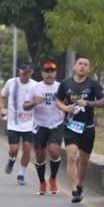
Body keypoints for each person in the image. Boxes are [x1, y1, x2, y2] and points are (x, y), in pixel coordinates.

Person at [55, 57, 104, 203]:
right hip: (71, 126)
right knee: (72, 157)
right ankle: (73, 191)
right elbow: (58, 100)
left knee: (84, 160)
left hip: (87, 128)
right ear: (74, 67)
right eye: (80, 64)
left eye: (86, 65)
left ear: (88, 69)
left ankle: (79, 184)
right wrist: (66, 108)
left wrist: (88, 103)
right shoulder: (66, 83)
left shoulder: (93, 84)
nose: (82, 67)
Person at [24, 61, 64, 195]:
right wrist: (34, 102)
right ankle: (42, 182)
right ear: (42, 73)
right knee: (40, 156)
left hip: (56, 124)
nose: (49, 74)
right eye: (46, 71)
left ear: (55, 73)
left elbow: (68, 103)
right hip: (39, 125)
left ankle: (53, 178)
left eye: (52, 71)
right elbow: (25, 106)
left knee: (54, 150)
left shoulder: (61, 87)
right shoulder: (35, 88)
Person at [0, 64, 38, 186]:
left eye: (29, 74)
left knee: (27, 148)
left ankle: (21, 174)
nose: (27, 76)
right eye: (24, 73)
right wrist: (2, 108)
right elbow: (2, 96)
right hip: (13, 122)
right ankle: (11, 161)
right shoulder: (11, 83)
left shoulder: (35, 85)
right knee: (14, 149)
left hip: (29, 122)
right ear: (19, 72)